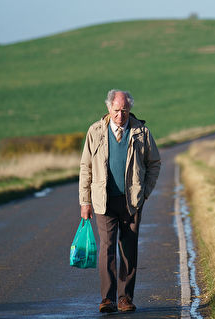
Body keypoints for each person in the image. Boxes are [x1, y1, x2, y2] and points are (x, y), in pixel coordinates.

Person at [78, 89, 161, 313]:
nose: (120, 115)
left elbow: (154, 163)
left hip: (131, 202)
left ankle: (125, 298)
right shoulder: (95, 131)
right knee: (107, 249)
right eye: (116, 110)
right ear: (108, 108)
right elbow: (85, 168)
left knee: (128, 249)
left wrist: (144, 193)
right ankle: (107, 299)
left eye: (124, 111)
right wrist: (84, 202)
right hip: (104, 201)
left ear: (129, 109)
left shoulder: (141, 132)